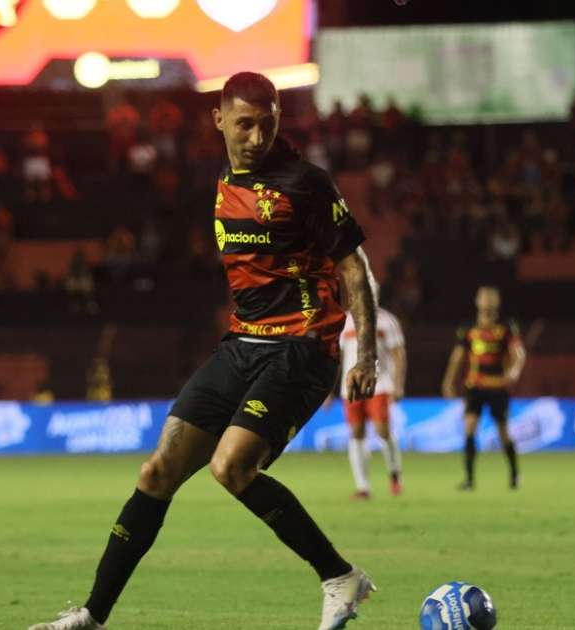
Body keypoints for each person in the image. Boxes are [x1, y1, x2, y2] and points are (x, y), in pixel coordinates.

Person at [29, 72, 379, 630]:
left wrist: (367, 356)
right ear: (218, 120)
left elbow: (353, 266)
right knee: (156, 472)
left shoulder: (305, 183)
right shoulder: (223, 174)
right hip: (242, 344)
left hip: (301, 347)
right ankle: (92, 616)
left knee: (231, 466)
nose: (257, 136)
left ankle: (339, 576)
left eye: (267, 124)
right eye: (244, 124)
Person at [441, 286, 526, 490]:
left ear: (497, 302)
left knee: (503, 431)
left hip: (498, 386)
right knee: (469, 429)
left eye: (490, 298)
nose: (486, 302)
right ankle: (469, 479)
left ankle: (514, 474)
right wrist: (448, 381)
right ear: (477, 301)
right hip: (475, 386)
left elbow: (519, 353)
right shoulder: (468, 327)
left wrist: (514, 372)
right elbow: (458, 356)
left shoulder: (507, 326)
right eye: (483, 298)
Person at [339, 293, 406, 500]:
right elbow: (339, 357)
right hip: (351, 387)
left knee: (382, 430)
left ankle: (394, 473)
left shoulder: (387, 321)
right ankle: (363, 487)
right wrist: (329, 390)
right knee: (356, 433)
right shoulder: (345, 322)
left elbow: (398, 353)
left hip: (380, 384)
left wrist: (398, 384)